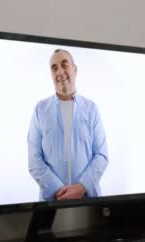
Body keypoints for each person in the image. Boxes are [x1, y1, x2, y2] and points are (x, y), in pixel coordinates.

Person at [27, 49, 109, 201]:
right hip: (52, 201)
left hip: (88, 199)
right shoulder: (40, 110)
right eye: (54, 68)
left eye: (64, 65)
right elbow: (34, 159)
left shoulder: (91, 109)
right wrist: (60, 192)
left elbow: (101, 155)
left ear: (75, 69)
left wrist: (81, 187)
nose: (60, 71)